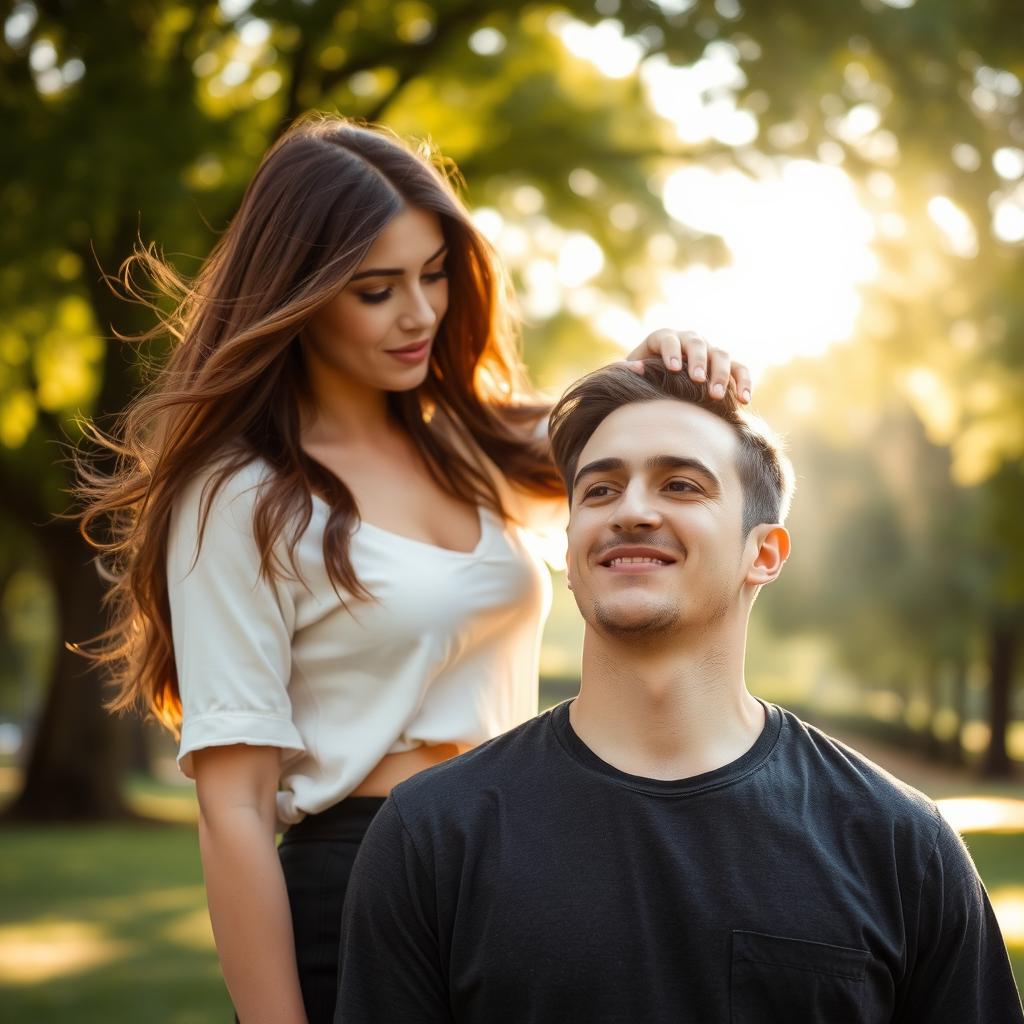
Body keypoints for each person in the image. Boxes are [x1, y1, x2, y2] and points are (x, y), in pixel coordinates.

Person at [76, 113, 752, 1024]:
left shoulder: (475, 446)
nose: (422, 312)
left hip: (530, 862)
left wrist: (668, 360)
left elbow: (640, 458)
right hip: (362, 880)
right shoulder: (240, 494)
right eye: (376, 289)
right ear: (300, 294)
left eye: (434, 274)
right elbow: (235, 806)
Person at [335, 358, 1024, 1024]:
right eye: (600, 490)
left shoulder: (901, 844)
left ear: (765, 554)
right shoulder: (430, 836)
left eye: (682, 486)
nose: (631, 510)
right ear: (570, 550)